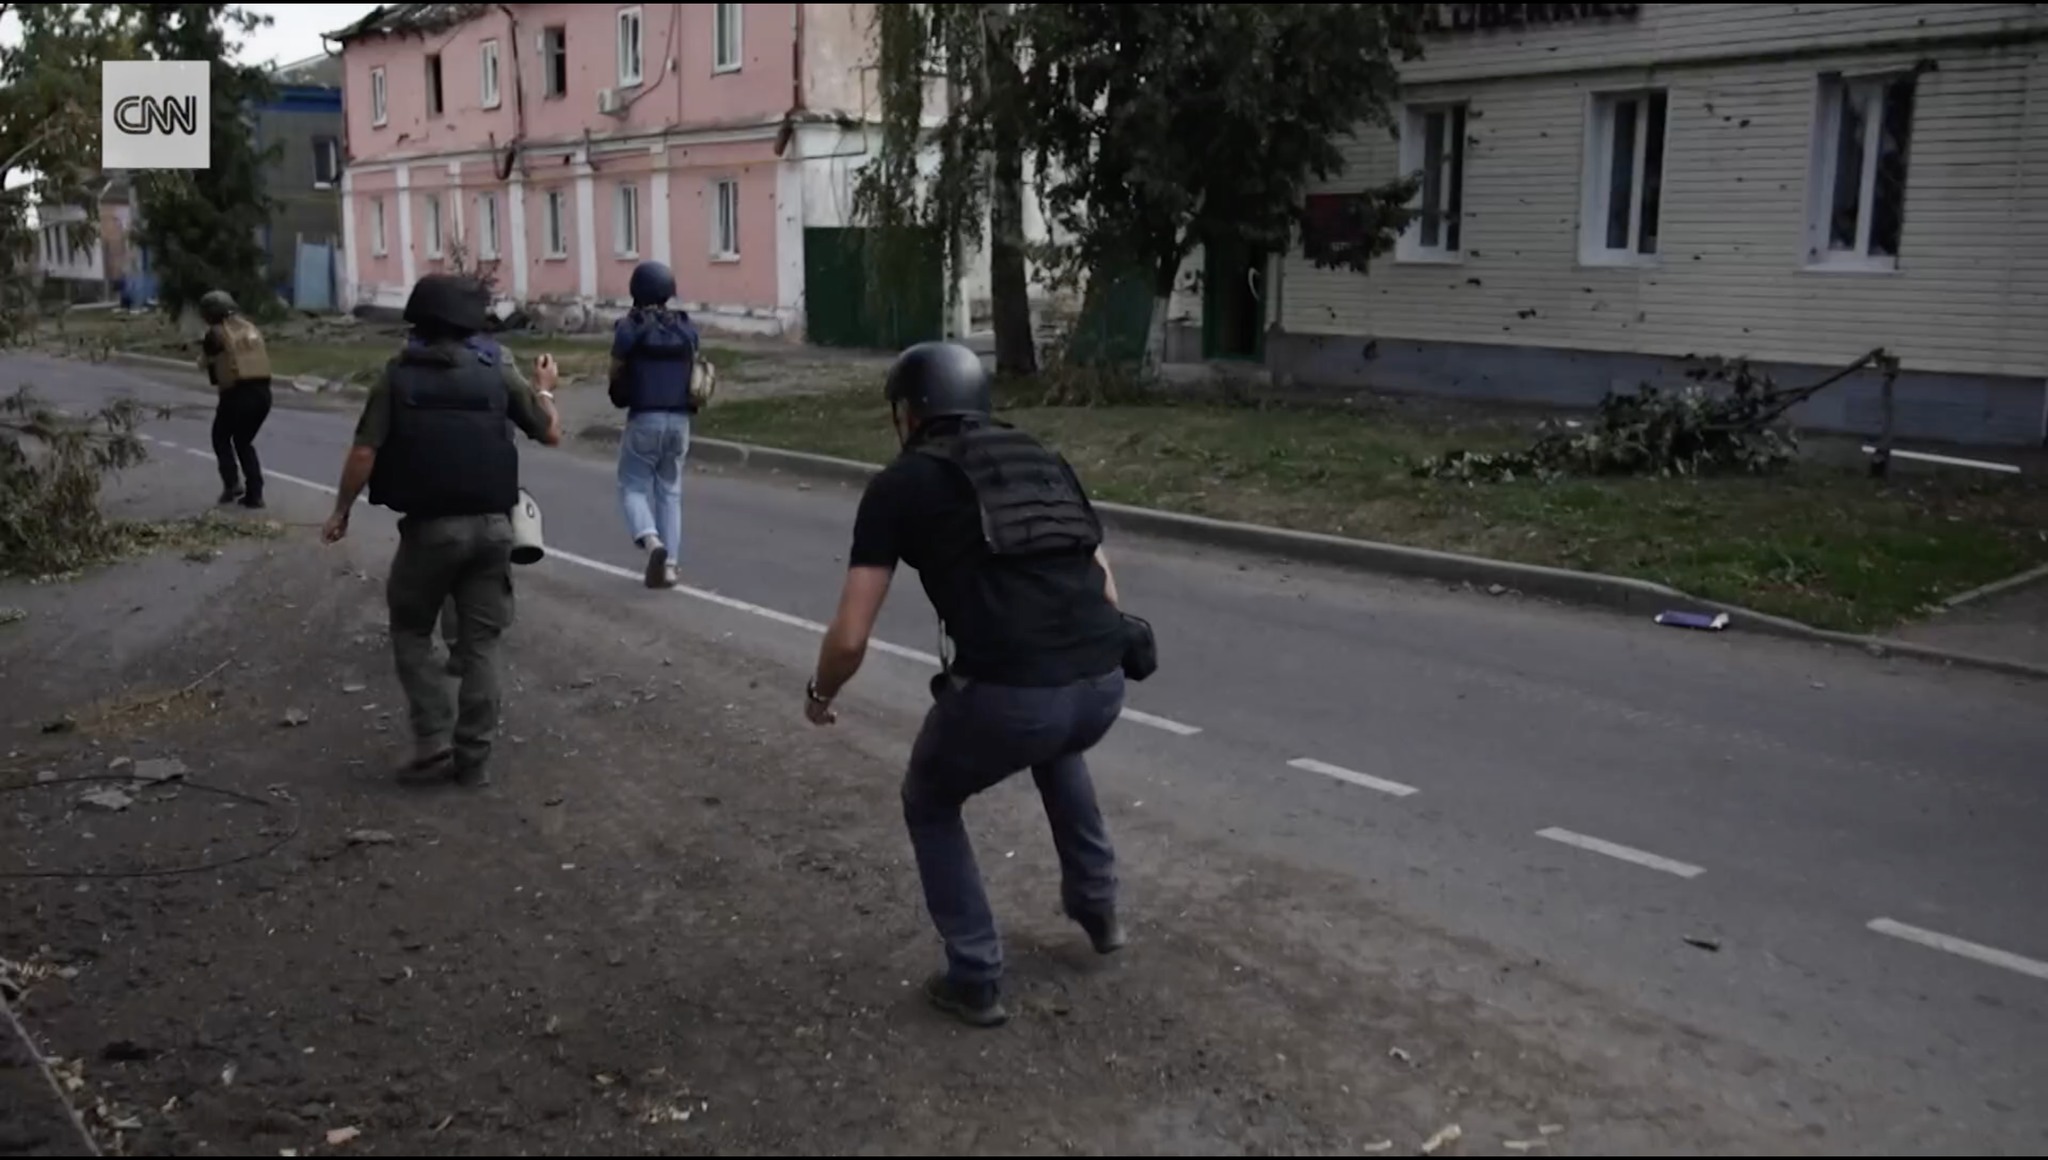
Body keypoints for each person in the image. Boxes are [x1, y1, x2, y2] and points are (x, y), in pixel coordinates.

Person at [804, 340, 1132, 1029]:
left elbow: (851, 636)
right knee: (1056, 745)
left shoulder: (899, 485)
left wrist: (821, 693)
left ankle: (975, 973)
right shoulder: (1041, 457)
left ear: (909, 414)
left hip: (1016, 696)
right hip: (1102, 682)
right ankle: (1099, 909)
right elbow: (1104, 584)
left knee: (928, 798)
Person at [320, 274, 563, 786]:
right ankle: (472, 759)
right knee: (481, 646)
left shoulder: (397, 376)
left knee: (410, 629)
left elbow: (365, 452)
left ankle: (433, 736)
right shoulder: (498, 368)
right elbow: (550, 433)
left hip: (431, 531)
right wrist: (544, 391)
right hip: (496, 528)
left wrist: (342, 510)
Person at [609, 260, 701, 589]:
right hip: (680, 420)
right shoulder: (685, 326)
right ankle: (671, 566)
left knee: (632, 485)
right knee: (670, 490)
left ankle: (651, 542)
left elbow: (617, 367)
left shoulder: (630, 327)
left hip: (644, 417)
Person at [196, 290, 273, 510]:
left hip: (238, 394)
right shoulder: (250, 329)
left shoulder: (216, 334)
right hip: (263, 394)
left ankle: (232, 484)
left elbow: (205, 363)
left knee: (220, 437)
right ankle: (255, 493)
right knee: (243, 441)